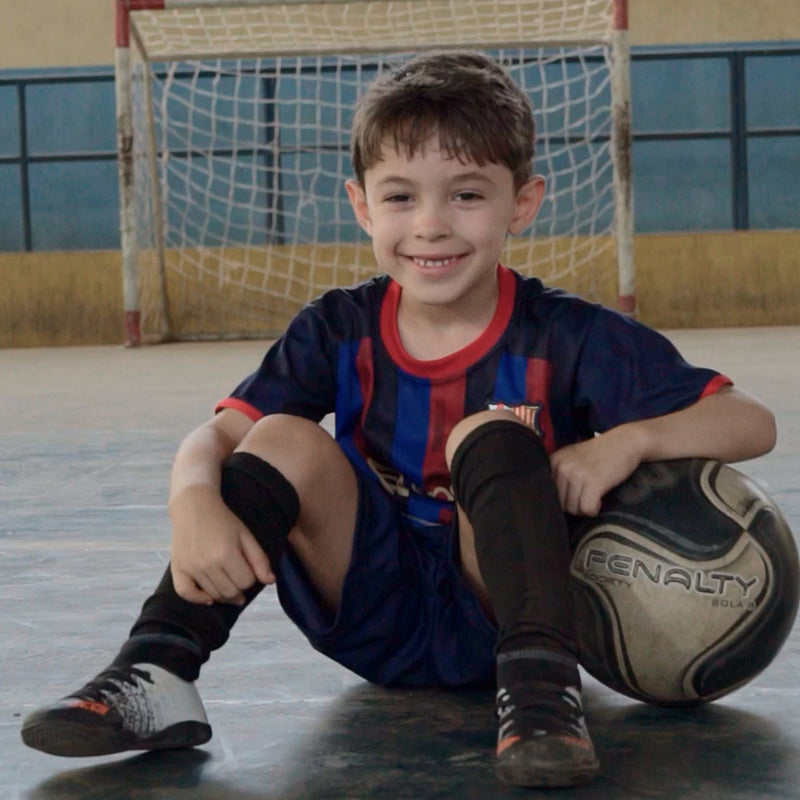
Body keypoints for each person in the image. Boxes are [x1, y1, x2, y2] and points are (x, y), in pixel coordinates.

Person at [21, 51, 776, 788]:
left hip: (506, 614)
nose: (432, 225)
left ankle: (544, 698)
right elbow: (215, 436)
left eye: (467, 195)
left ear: (523, 201)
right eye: (401, 196)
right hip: (369, 612)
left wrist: (628, 441)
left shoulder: (569, 335)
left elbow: (748, 422)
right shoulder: (338, 328)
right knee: (278, 434)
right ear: (362, 205)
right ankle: (156, 670)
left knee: (490, 433)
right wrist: (192, 502)